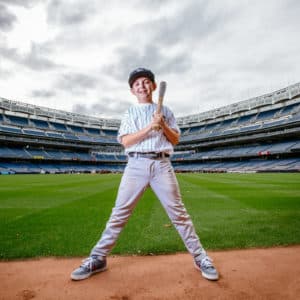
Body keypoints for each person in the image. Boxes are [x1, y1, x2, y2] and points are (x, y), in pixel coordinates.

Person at [71, 67, 219, 281]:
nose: (142, 85)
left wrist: (163, 125)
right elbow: (126, 141)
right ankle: (98, 258)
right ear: (132, 90)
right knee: (119, 214)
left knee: (179, 214)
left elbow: (175, 139)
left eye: (146, 81)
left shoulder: (166, 110)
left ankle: (200, 257)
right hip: (136, 165)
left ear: (154, 86)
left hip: (162, 164)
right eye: (137, 83)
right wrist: (151, 127)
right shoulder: (130, 113)